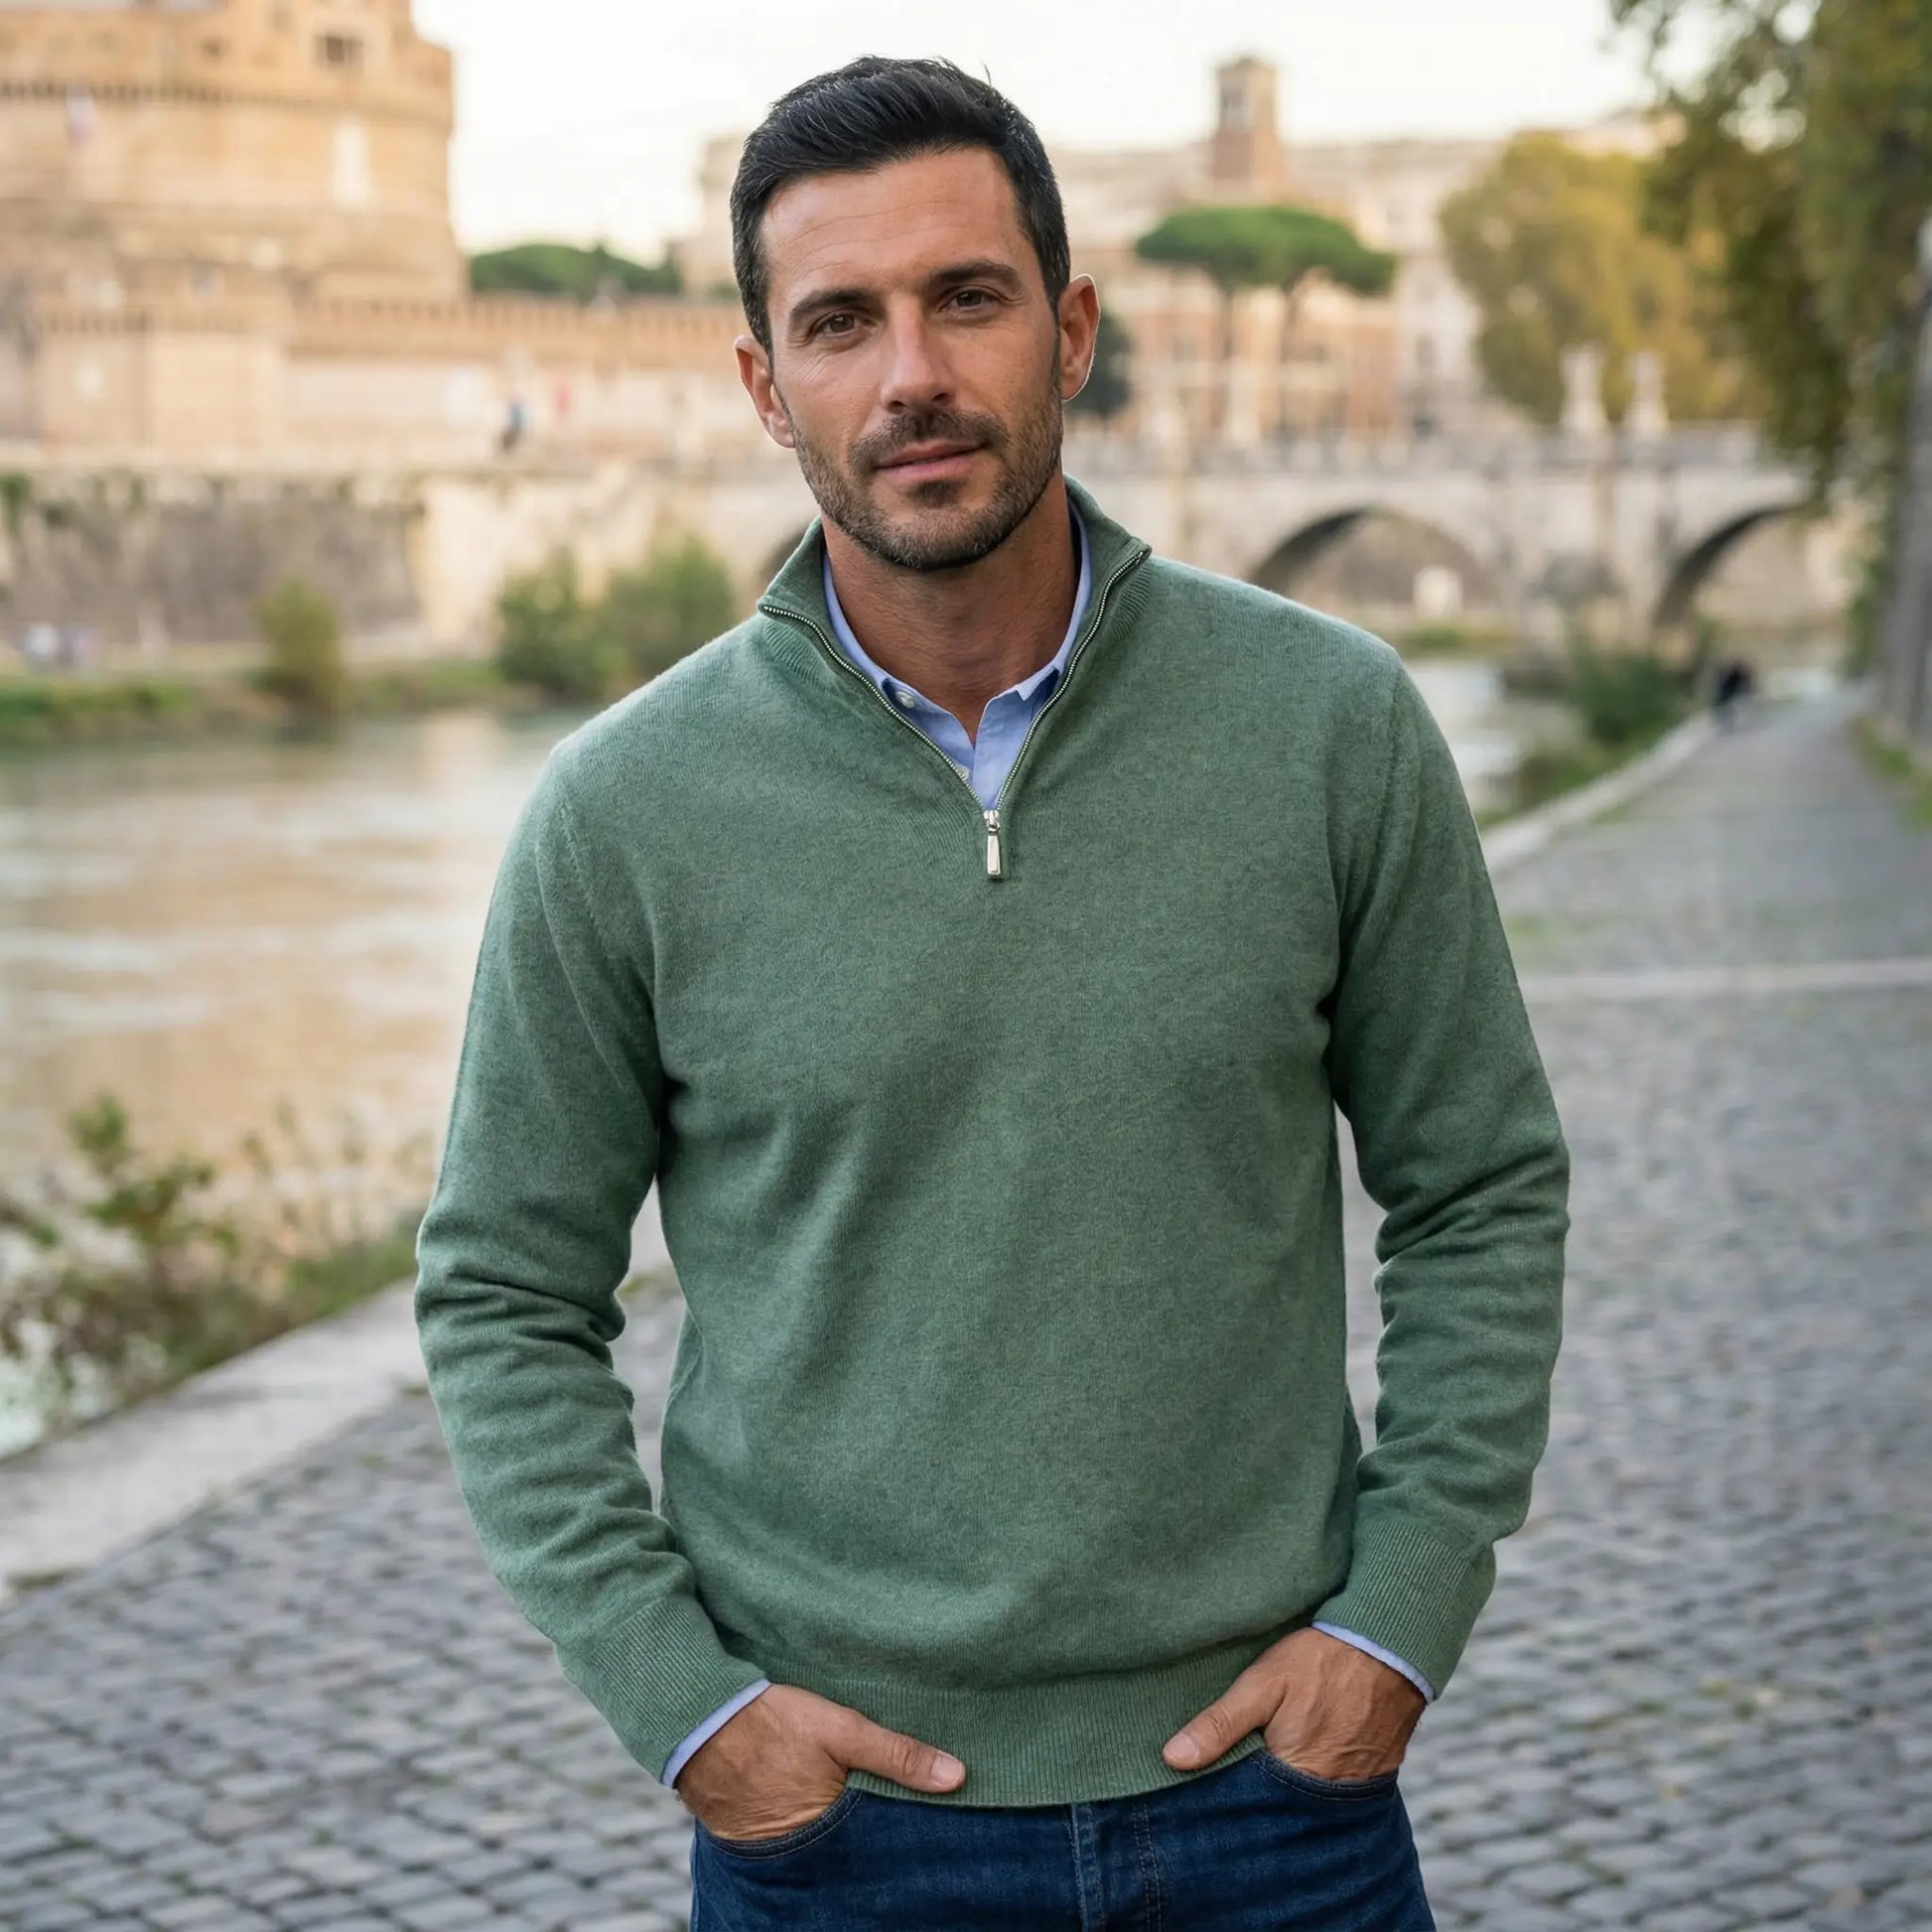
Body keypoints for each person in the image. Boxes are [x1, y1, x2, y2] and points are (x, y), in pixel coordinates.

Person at [415, 57, 1571, 1931]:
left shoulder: (1330, 726)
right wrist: (680, 1699)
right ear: (763, 386)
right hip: (840, 1838)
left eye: (966, 298)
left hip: (1279, 1808)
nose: (911, 377)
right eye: (839, 323)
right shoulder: (620, 811)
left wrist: (1400, 1613)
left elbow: (1482, 1184)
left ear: (1072, 331)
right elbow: (498, 1286)